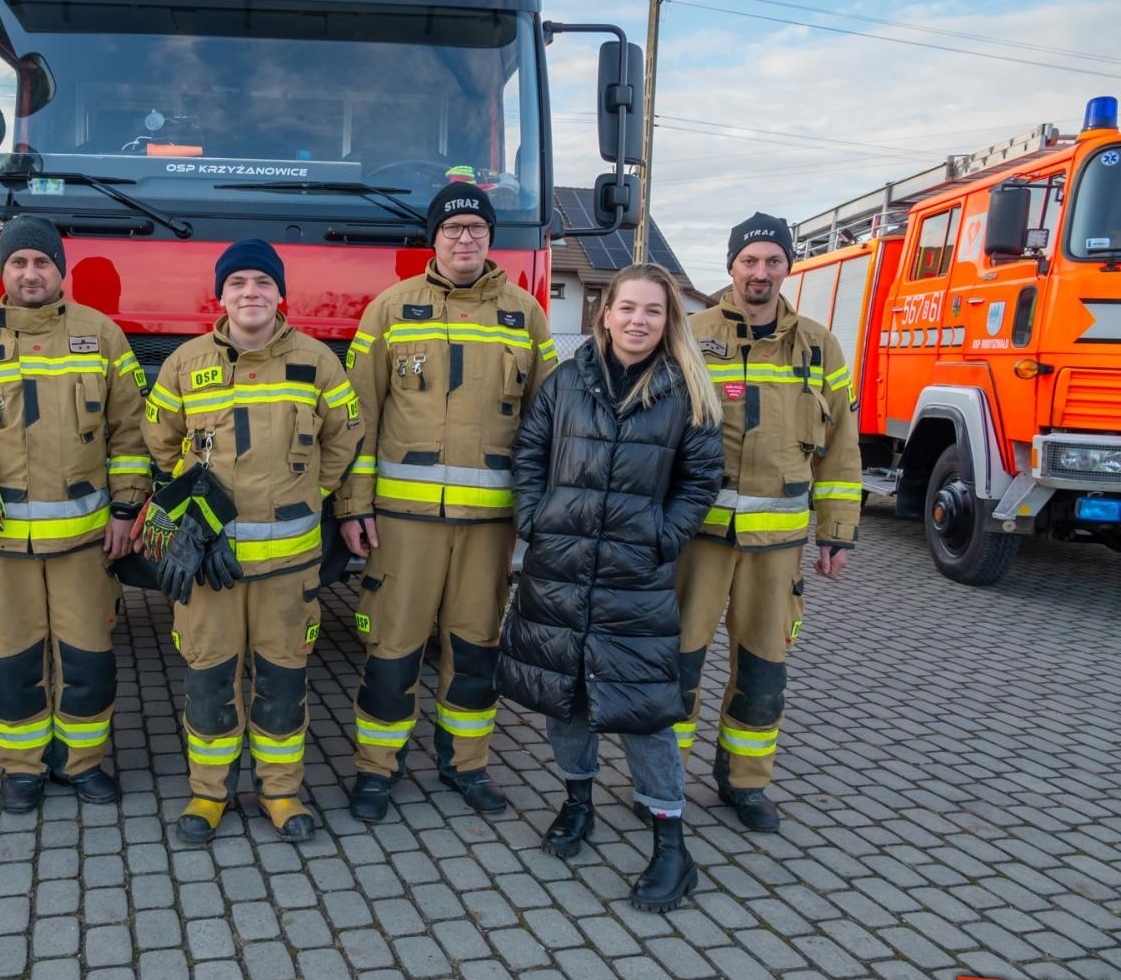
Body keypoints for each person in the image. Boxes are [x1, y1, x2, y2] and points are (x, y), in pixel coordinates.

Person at [496, 263, 723, 912]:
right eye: (627, 308)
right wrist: (534, 518)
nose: (637, 321)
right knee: (563, 699)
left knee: (645, 711)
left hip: (633, 576)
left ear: (667, 320)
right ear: (605, 313)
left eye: (652, 311)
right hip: (561, 567)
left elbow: (701, 478)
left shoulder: (686, 393)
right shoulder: (567, 380)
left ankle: (672, 848)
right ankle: (578, 803)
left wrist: (663, 535)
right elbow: (530, 451)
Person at [334, 183, 559, 822]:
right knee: (393, 648)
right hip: (403, 525)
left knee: (476, 649)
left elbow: (549, 423)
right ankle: (377, 771)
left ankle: (467, 764)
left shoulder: (527, 315)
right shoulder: (389, 309)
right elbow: (359, 417)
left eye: (477, 229)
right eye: (453, 228)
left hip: (490, 527)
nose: (466, 238)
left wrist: (539, 517)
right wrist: (354, 507)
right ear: (433, 238)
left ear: (492, 239)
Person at [0, 216, 152, 814]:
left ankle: (83, 764)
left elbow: (131, 434)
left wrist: (127, 509)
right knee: (13, 663)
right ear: (2, 268)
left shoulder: (102, 336)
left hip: (84, 544)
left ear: (60, 271)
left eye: (42, 263)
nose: (30, 273)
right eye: (19, 262)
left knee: (88, 661)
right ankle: (21, 768)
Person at [142, 239, 360, 845]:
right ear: (221, 295)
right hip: (210, 565)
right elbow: (158, 441)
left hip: (289, 567)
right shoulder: (185, 364)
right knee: (209, 682)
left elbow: (345, 438)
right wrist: (184, 505)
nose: (250, 294)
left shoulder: (317, 362)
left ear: (280, 294)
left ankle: (281, 792)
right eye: (237, 283)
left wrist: (311, 490)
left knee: (282, 684)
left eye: (262, 283)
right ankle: (209, 795)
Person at [677, 213, 862, 832]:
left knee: (762, 669)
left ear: (788, 267)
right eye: (749, 261)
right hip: (694, 540)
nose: (760, 273)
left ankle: (745, 782)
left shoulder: (819, 345)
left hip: (777, 545)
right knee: (677, 664)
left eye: (772, 261)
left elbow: (841, 447)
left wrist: (837, 530)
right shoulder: (688, 334)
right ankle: (662, 778)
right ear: (730, 266)